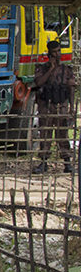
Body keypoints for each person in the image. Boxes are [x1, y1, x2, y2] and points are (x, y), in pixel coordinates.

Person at [33, 39, 77, 174]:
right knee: (45, 134)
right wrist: (50, 69)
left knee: (62, 134)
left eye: (59, 51)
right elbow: (39, 82)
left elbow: (71, 88)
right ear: (49, 54)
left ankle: (67, 163)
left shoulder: (66, 70)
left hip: (61, 106)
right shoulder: (42, 68)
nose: (57, 55)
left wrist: (71, 106)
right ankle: (44, 163)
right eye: (54, 53)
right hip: (46, 106)